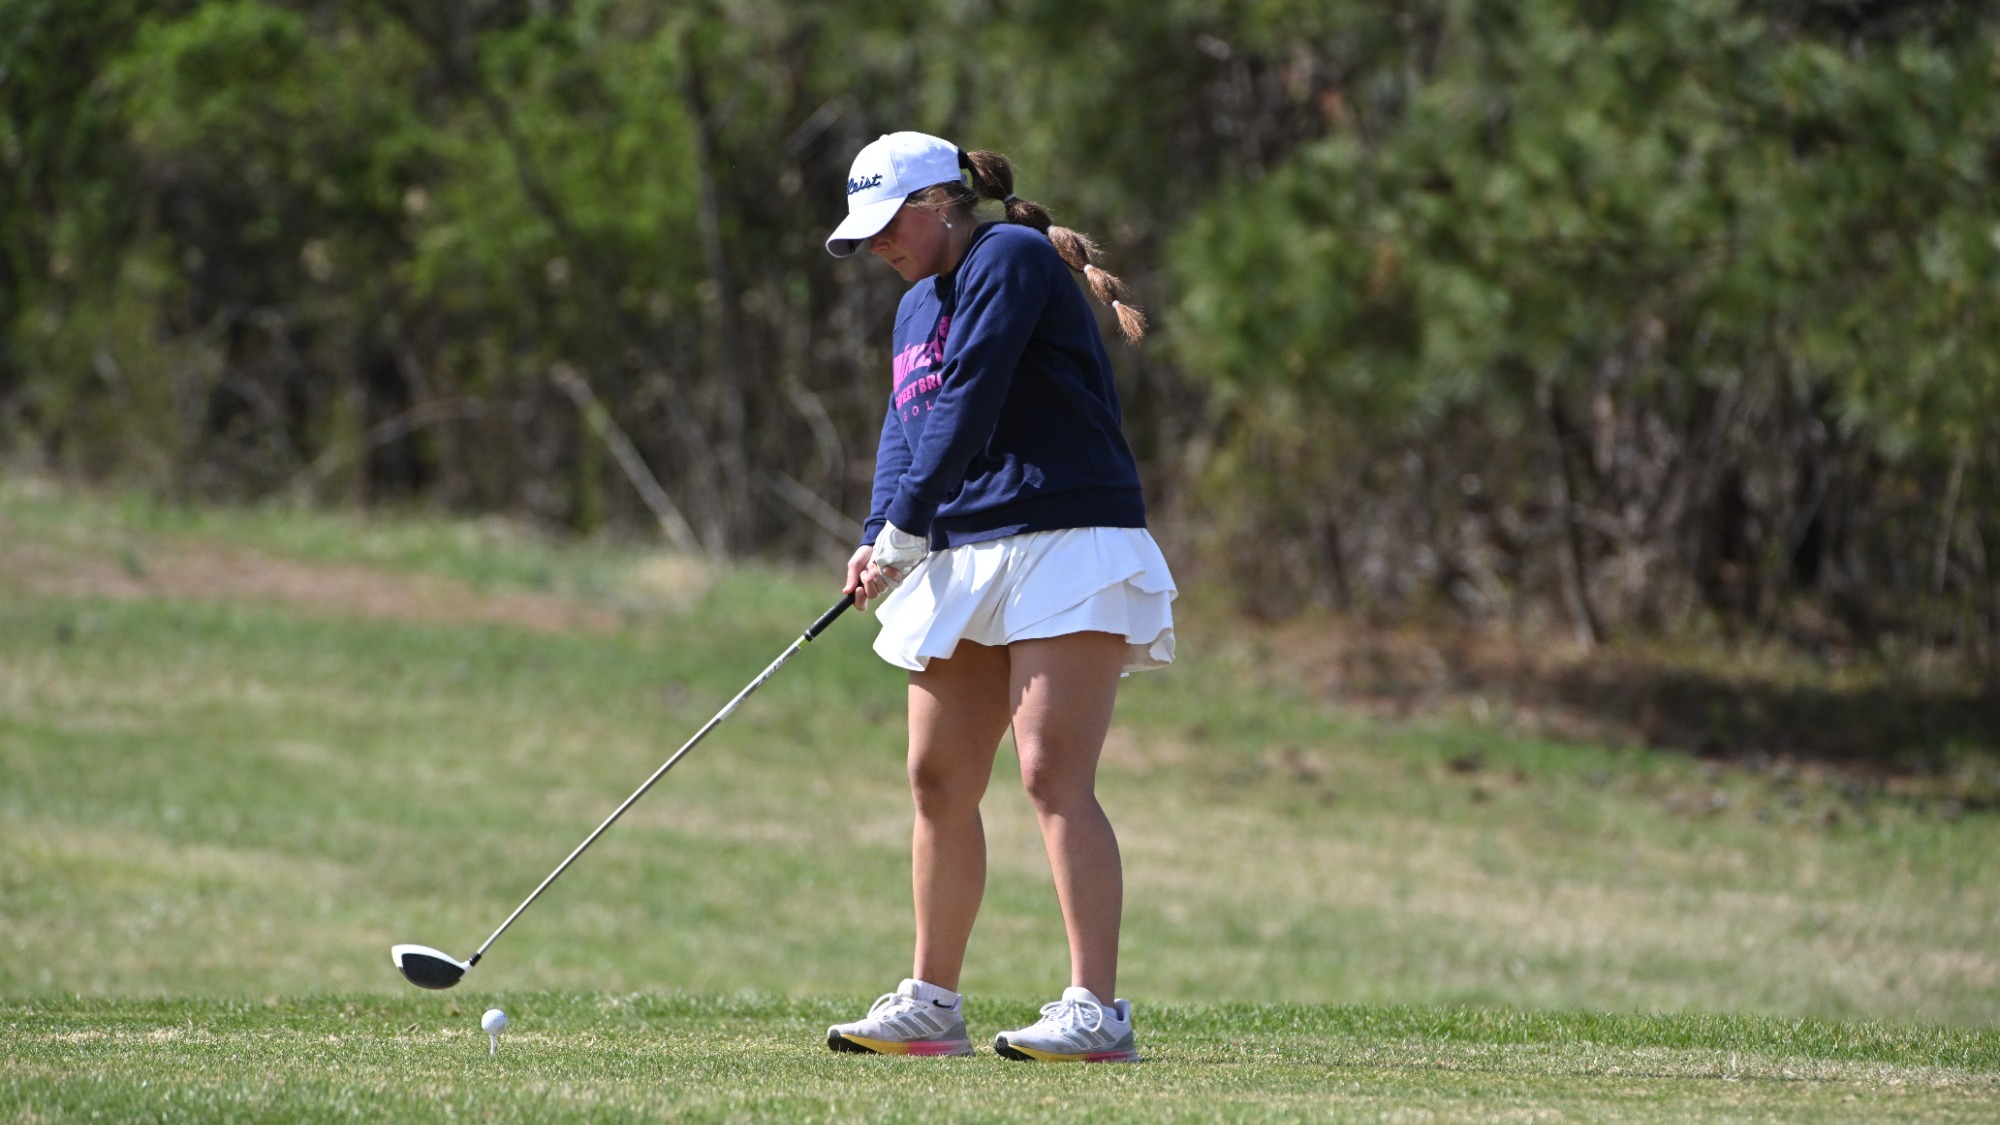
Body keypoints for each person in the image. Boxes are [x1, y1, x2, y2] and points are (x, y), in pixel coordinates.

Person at [820, 131, 1176, 1063]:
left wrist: (905, 526)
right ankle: (933, 1002)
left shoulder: (1007, 258)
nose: (879, 247)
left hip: (1069, 534)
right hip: (969, 548)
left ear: (942, 202)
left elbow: (970, 397)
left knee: (1050, 771)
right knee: (936, 777)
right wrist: (877, 535)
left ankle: (1096, 1011)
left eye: (889, 224)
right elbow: (909, 428)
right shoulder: (911, 310)